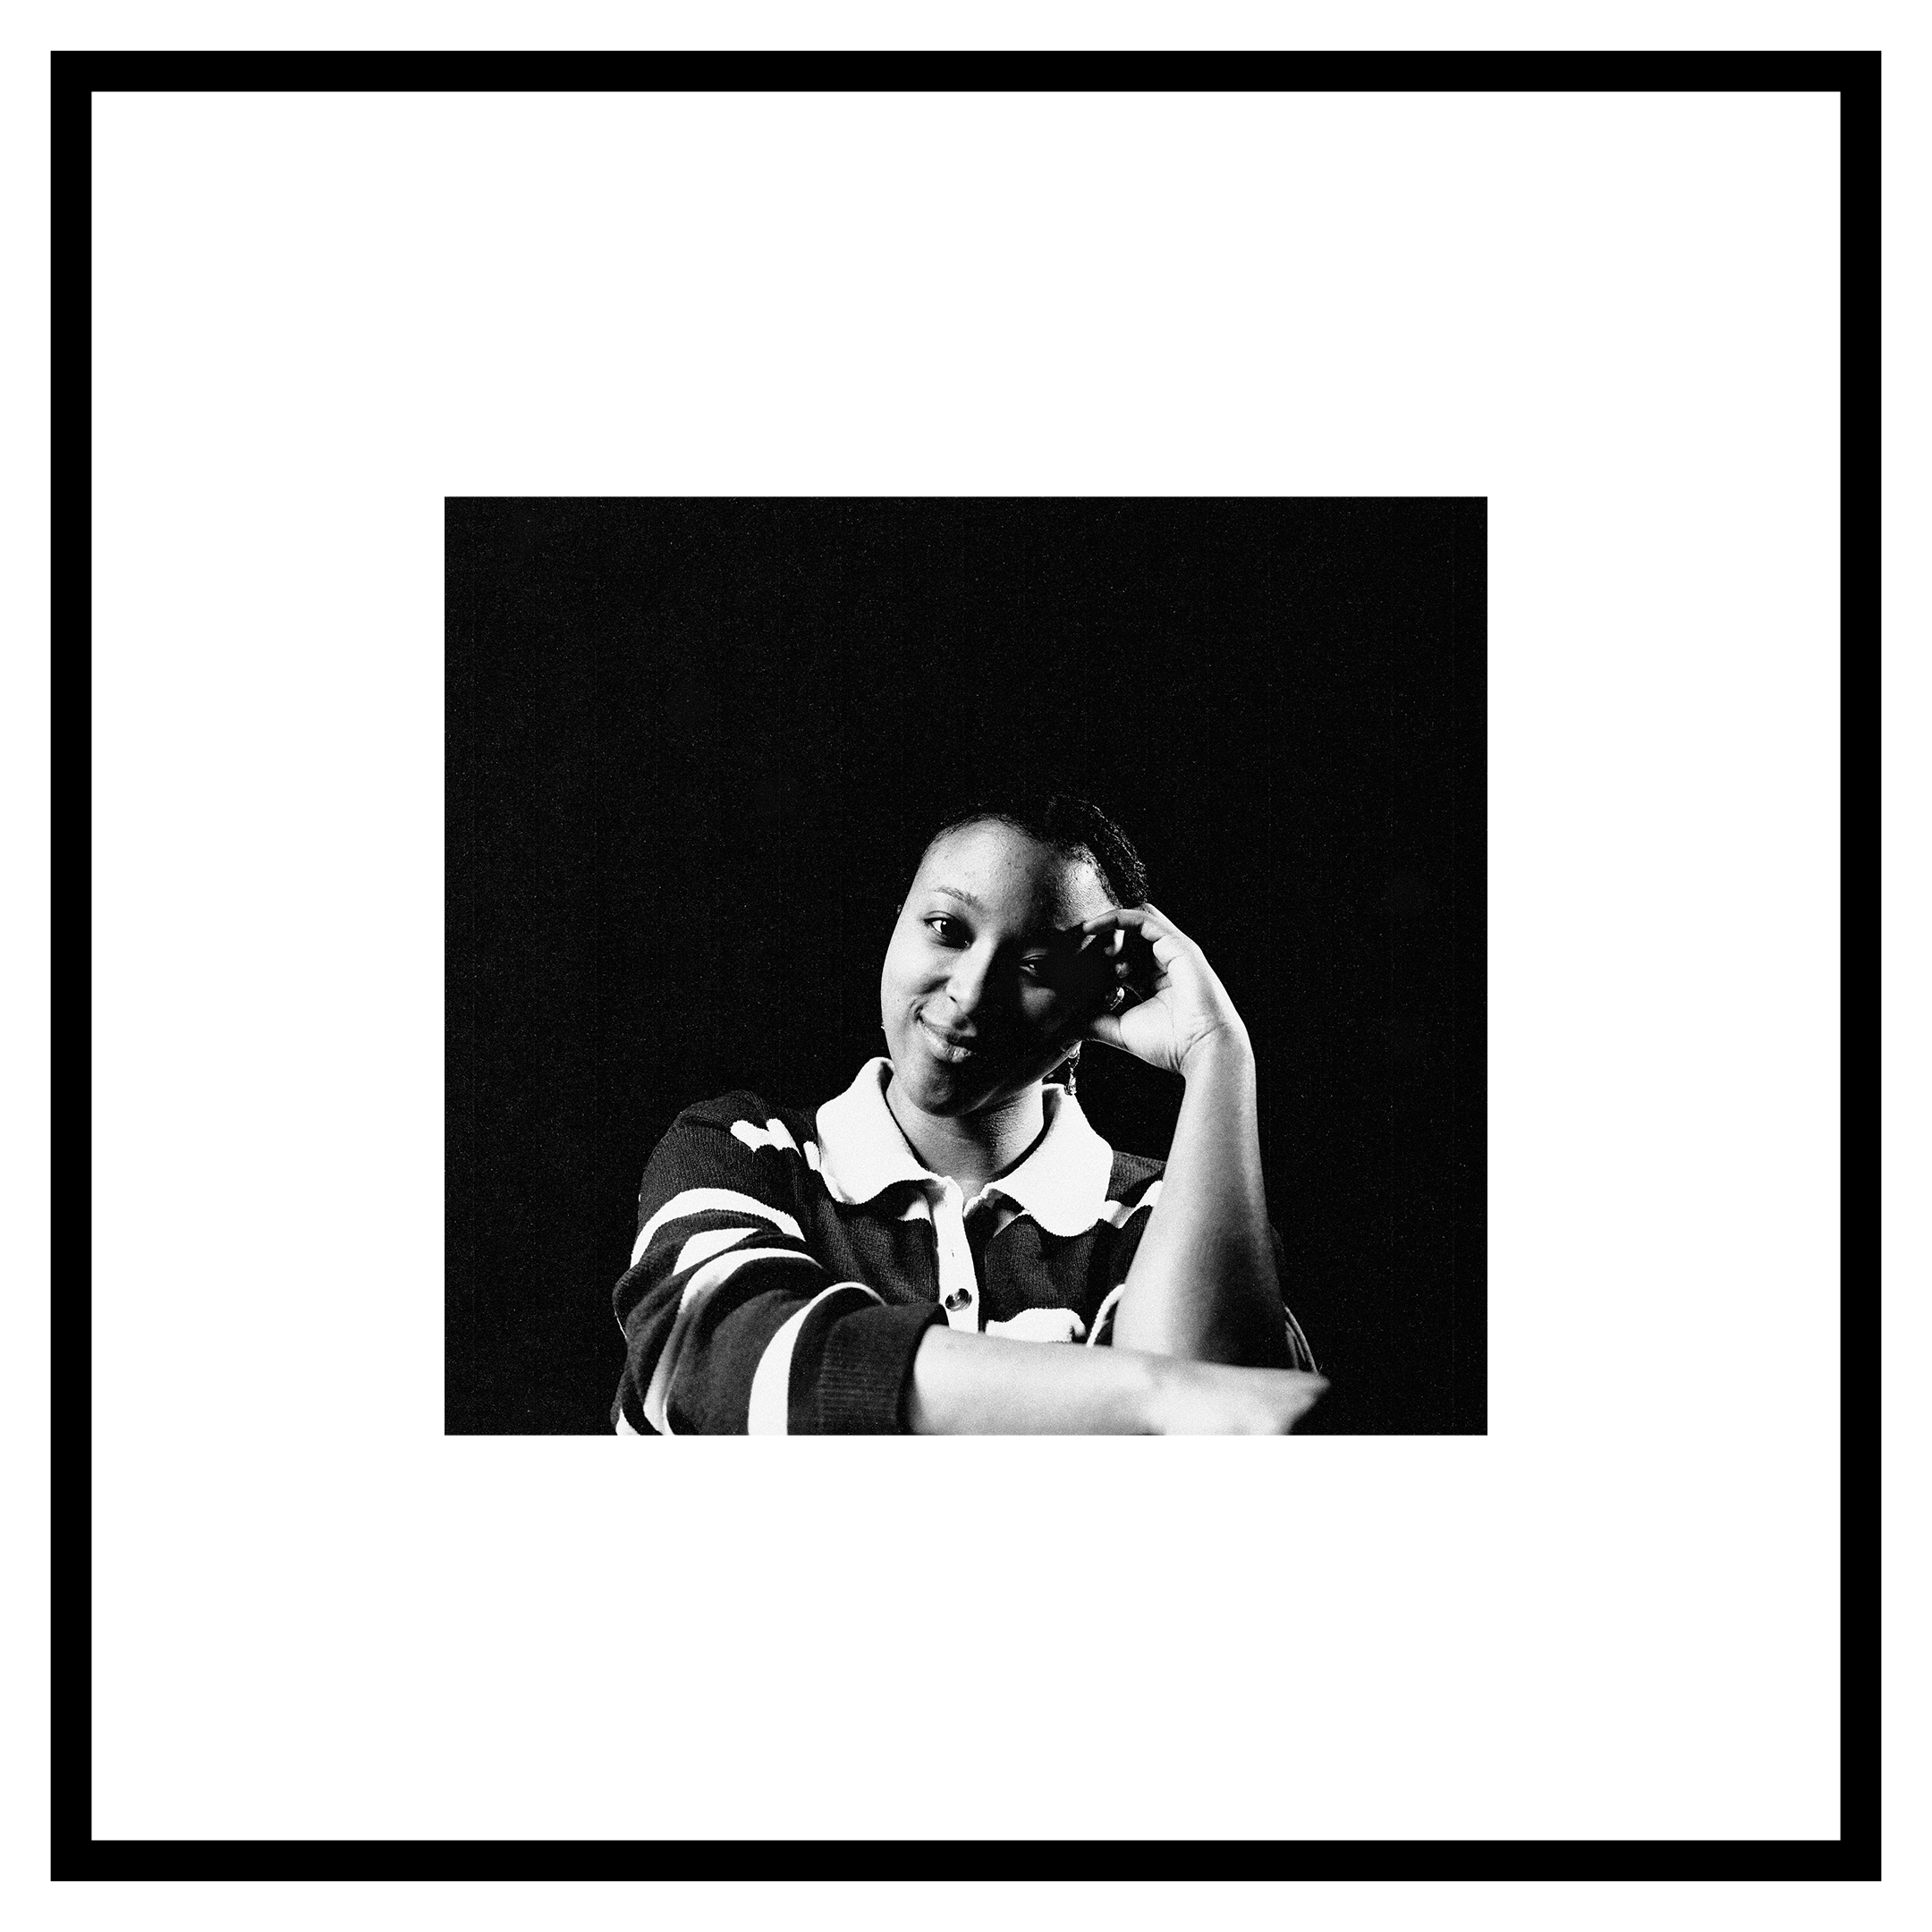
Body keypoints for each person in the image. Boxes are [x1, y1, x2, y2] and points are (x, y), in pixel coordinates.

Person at [609, 787, 1325, 1434]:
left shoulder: (1171, 1216)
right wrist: (1156, 1396)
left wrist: (1217, 1054)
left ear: (1103, 1000)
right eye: (948, 928)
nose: (973, 992)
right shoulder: (744, 1149)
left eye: (1039, 966)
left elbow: (1223, 1460)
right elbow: (721, 1365)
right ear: (898, 923)